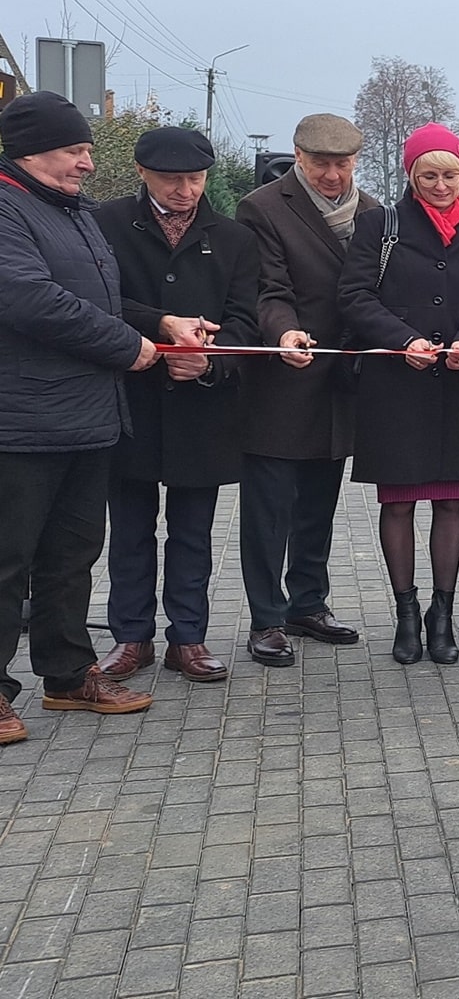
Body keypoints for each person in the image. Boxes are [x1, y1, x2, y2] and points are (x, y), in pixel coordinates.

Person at [0, 90, 161, 737]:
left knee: (70, 558)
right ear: (32, 151)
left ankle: (68, 676)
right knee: (8, 562)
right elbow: (30, 300)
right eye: (76, 150)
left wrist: (160, 325)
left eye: (88, 150)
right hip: (20, 423)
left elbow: (104, 299)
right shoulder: (7, 209)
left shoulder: (73, 213)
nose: (88, 164)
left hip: (88, 418)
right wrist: (129, 346)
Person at [96, 127, 260, 684]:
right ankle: (130, 637)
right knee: (130, 530)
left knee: (193, 531)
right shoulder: (106, 224)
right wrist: (158, 325)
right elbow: (96, 301)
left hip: (202, 411)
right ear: (142, 174)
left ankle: (187, 637)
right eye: (172, 180)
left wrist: (210, 363)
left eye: (196, 179)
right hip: (129, 403)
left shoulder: (234, 238)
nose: (186, 190)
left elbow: (246, 324)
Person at [337, 125, 459, 664]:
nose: (440, 184)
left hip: (457, 384)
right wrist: (401, 339)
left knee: (452, 502)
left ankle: (442, 615)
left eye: (450, 174)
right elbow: (355, 297)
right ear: (410, 175)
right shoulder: (377, 225)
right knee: (399, 504)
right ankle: (406, 614)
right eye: (428, 174)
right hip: (395, 386)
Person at [236, 113, 379, 666]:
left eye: (342, 164)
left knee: (319, 503)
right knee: (269, 508)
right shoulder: (264, 208)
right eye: (321, 164)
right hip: (282, 379)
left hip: (340, 383)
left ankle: (307, 604)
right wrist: (283, 331)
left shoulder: (372, 212)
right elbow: (266, 288)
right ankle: (266, 619)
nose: (332, 175)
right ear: (298, 157)